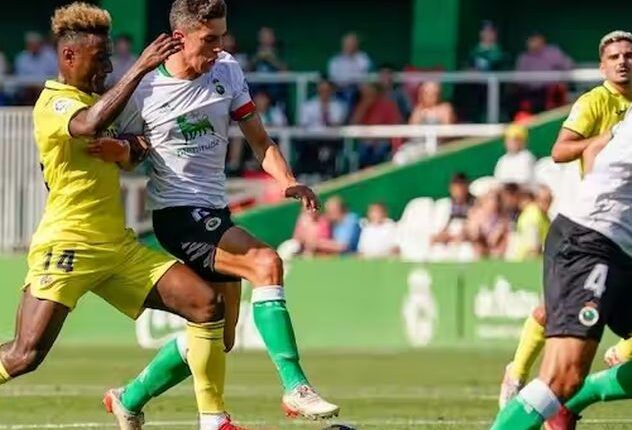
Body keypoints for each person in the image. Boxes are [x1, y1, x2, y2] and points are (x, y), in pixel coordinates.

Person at [101, 1, 340, 427]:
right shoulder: (143, 91)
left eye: (222, 37)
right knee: (267, 262)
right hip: (176, 215)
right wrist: (125, 152)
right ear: (180, 37)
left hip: (214, 213)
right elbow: (122, 155)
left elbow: (259, 140)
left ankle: (129, 397)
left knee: (218, 336)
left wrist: (287, 179)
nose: (218, 47)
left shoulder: (226, 70)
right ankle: (295, 386)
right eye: (209, 39)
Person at [0, 4, 237, 430]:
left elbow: (135, 145)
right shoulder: (55, 102)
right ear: (70, 57)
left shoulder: (101, 101)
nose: (108, 68)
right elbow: (89, 124)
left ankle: (213, 420)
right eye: (100, 59)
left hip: (117, 248)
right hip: (67, 246)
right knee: (24, 356)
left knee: (207, 305)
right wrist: (142, 66)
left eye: (111, 59)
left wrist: (132, 148)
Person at [491, 35, 632, 430]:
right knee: (560, 377)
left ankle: (581, 398)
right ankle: (550, 392)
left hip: (624, 252)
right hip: (589, 242)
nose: (623, 62)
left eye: (629, 56)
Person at [515, 32, 573, 113]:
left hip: (550, 91)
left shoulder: (552, 52)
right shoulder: (524, 58)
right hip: (530, 92)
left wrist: (560, 79)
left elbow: (568, 65)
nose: (533, 43)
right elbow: (519, 80)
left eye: (535, 40)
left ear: (542, 41)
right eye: (531, 41)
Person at [350, 83, 402, 168]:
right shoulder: (361, 105)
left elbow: (395, 126)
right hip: (365, 142)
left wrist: (378, 139)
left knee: (379, 152)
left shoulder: (388, 105)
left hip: (383, 141)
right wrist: (365, 105)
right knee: (363, 152)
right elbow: (354, 123)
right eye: (366, 93)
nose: (368, 95)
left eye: (370, 92)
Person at [327, 32, 372, 102]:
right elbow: (334, 78)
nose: (349, 46)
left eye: (352, 43)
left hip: (358, 90)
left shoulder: (363, 58)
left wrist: (352, 59)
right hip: (339, 90)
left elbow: (362, 77)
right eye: (347, 43)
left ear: (357, 45)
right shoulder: (335, 60)